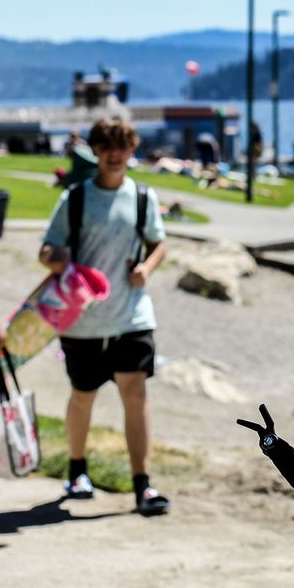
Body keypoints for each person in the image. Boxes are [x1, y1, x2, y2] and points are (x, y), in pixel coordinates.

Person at [38, 117, 171, 516]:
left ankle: (142, 486)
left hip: (132, 316)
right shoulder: (75, 198)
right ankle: (77, 471)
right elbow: (47, 249)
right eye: (107, 146)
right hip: (83, 321)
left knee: (136, 393)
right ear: (95, 151)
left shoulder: (143, 197)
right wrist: (57, 259)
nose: (115, 154)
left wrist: (147, 269)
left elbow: (158, 243)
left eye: (123, 146)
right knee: (83, 396)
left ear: (132, 150)